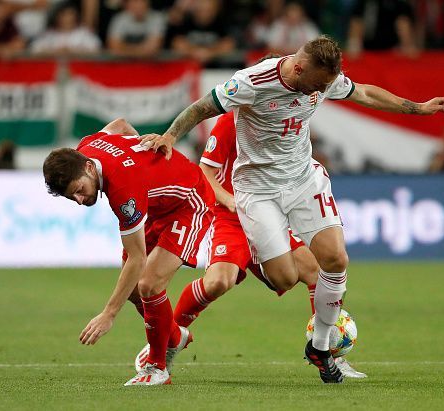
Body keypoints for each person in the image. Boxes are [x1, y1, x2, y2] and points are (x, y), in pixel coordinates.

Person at [139, 35, 444, 383]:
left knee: (334, 259)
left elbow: (364, 92)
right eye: (319, 85)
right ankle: (179, 330)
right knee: (281, 277)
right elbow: (203, 107)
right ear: (298, 68)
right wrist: (170, 136)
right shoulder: (251, 84)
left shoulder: (322, 79)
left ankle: (321, 347)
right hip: (255, 194)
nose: (322, 91)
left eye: (327, 86)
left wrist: (417, 107)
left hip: (303, 181)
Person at [135, 110, 368, 379]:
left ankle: (327, 353)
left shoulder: (283, 116)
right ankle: (166, 342)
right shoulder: (229, 122)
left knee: (315, 269)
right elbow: (205, 172)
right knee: (219, 282)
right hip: (231, 218)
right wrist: (229, 200)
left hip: (269, 212)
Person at [42, 117, 215, 386]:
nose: (79, 200)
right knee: (134, 291)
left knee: (148, 283)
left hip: (190, 201)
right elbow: (121, 125)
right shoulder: (88, 146)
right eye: (71, 197)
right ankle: (174, 337)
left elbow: (137, 259)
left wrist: (109, 314)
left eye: (78, 190)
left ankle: (157, 368)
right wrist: (141, 149)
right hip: (157, 206)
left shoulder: (123, 189)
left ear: (88, 167)